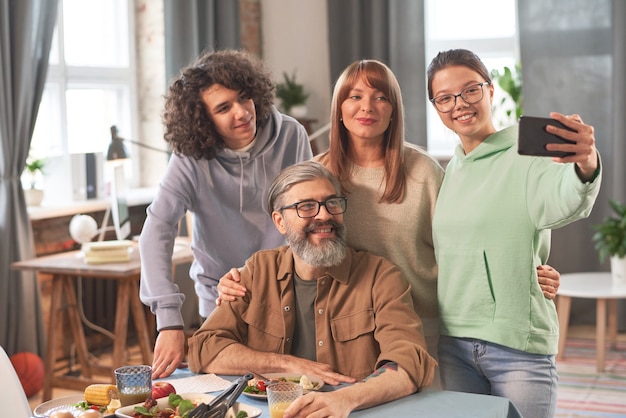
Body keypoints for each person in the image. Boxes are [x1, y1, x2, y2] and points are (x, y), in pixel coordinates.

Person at [216, 59, 563, 384]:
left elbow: (468, 238)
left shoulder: (424, 172)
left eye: (381, 97)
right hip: (343, 332)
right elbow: (295, 243)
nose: (367, 107)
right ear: (339, 108)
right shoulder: (320, 173)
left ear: (394, 110)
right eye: (355, 96)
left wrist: (525, 269)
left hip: (421, 329)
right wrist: (240, 281)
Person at [187, 161, 437, 418]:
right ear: (280, 221)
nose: (324, 215)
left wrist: (344, 399)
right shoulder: (257, 271)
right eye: (306, 206)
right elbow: (204, 349)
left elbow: (409, 365)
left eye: (332, 203)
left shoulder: (381, 277)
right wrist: (288, 365)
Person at [427, 48, 601, 417]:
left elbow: (568, 196)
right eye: (445, 97)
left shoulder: (527, 157)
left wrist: (585, 162)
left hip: (517, 348)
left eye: (471, 90)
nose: (460, 103)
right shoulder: (449, 172)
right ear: (436, 107)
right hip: (454, 344)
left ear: (490, 92)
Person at [139, 49, 312, 379]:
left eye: (244, 98)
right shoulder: (190, 158)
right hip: (220, 303)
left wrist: (266, 277)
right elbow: (157, 228)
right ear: (203, 119)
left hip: (285, 295)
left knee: (286, 396)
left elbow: (302, 219)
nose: (242, 112)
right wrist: (170, 321)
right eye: (223, 108)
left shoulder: (291, 135)